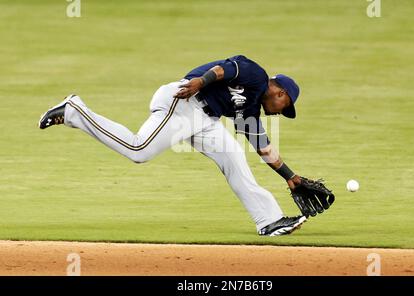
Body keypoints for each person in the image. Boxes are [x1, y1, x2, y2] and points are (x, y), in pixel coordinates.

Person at [38, 55, 306, 236]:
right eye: (286, 108)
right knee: (138, 150)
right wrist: (202, 82)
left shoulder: (250, 108)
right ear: (281, 93)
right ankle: (74, 110)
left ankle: (269, 220)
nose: (281, 113)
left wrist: (291, 177)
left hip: (204, 119)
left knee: (234, 157)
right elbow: (224, 69)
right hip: (184, 101)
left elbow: (263, 148)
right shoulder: (256, 75)